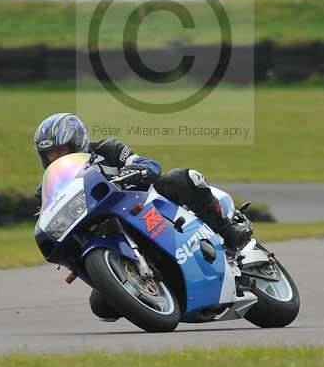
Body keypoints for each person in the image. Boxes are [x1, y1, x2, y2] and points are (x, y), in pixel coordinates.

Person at [33, 112, 252, 320]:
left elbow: (149, 165)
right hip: (105, 233)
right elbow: (44, 215)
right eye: (50, 154)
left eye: (61, 150)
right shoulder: (50, 187)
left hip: (143, 203)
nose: (56, 157)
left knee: (182, 178)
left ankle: (228, 230)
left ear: (77, 142)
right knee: (101, 306)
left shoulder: (108, 149)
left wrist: (136, 170)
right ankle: (149, 290)